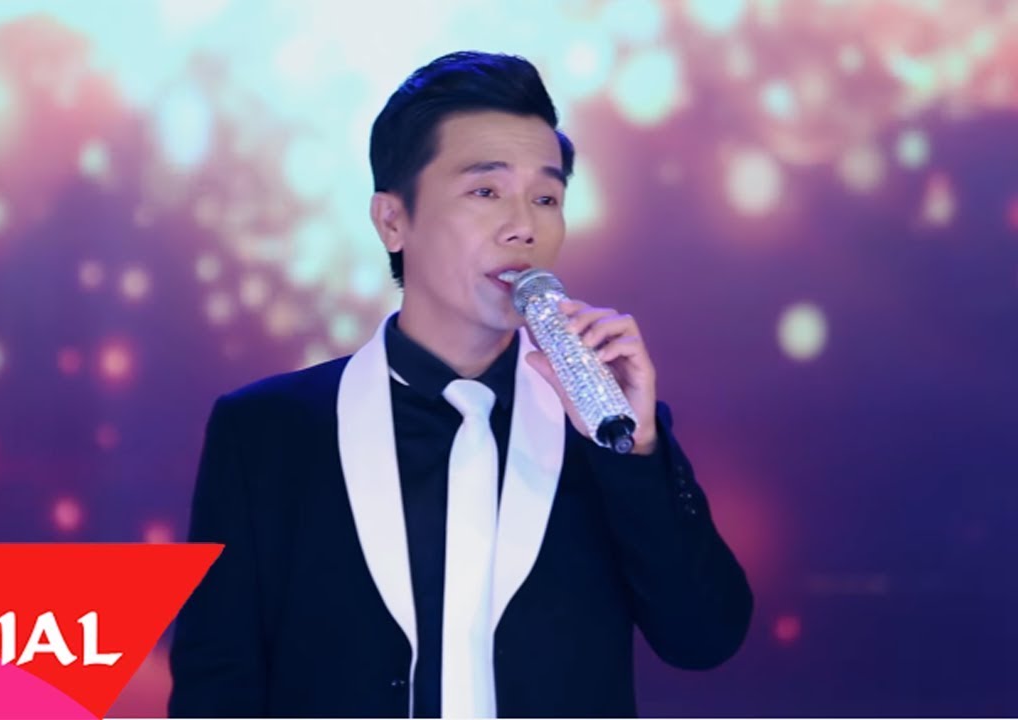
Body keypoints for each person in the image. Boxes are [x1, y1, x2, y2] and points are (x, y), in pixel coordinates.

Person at [168, 50, 753, 719]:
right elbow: (217, 687)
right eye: (486, 192)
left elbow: (704, 637)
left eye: (546, 198)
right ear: (393, 220)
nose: (524, 226)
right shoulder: (268, 432)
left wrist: (635, 450)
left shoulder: (603, 428)